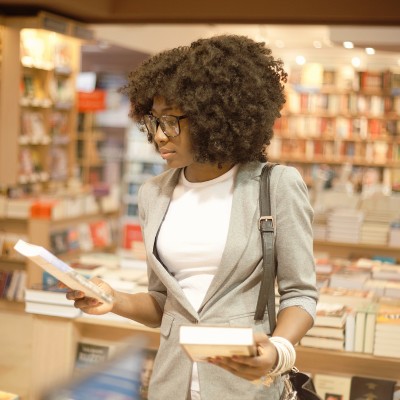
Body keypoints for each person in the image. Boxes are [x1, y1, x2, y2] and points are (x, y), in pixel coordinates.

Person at [67, 34, 318, 400]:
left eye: (170, 122)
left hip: (245, 386)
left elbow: (300, 293)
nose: (158, 136)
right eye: (152, 121)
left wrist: (279, 349)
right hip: (171, 383)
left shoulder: (274, 184)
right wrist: (114, 299)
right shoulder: (153, 193)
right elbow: (161, 301)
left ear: (213, 117)